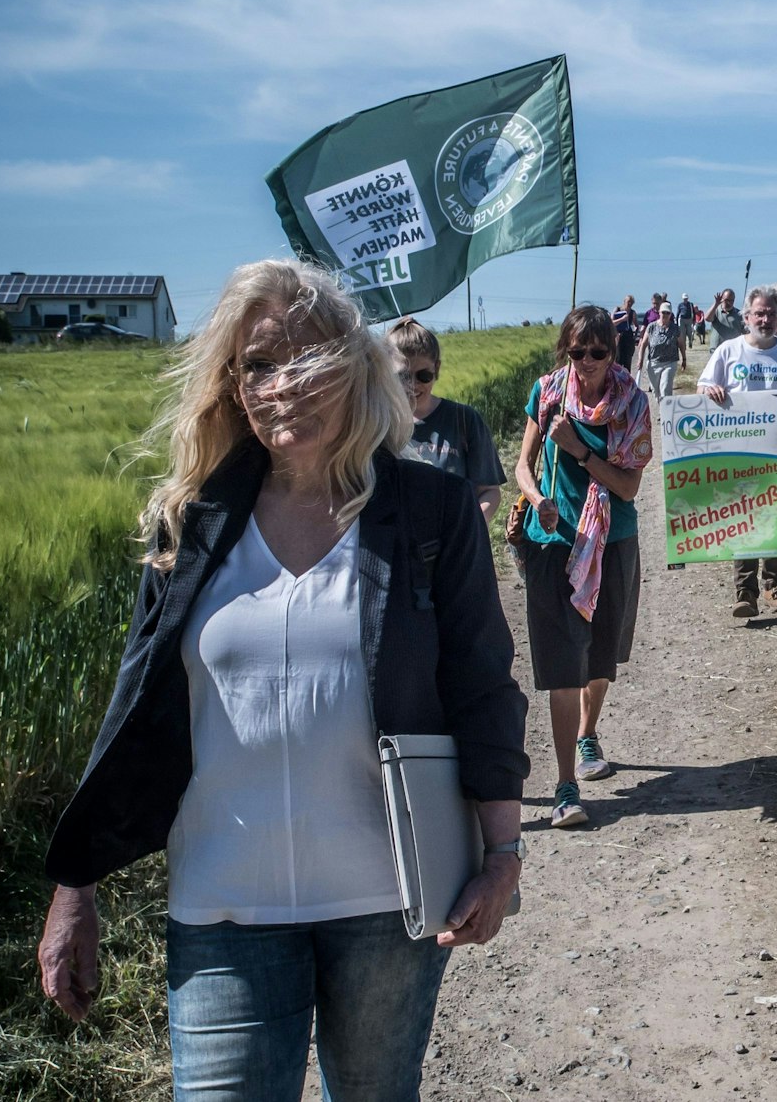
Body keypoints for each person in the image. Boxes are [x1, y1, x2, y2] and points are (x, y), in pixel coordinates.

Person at [37, 259, 527, 1098]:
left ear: (352, 362)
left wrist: (504, 851)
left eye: (304, 357)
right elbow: (133, 705)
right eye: (258, 365)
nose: (281, 386)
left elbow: (483, 686)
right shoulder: (190, 522)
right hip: (222, 905)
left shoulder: (427, 512)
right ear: (231, 385)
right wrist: (72, 886)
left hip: (385, 902)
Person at [515, 305, 654, 828]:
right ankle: (565, 786)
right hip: (553, 544)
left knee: (599, 656)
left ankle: (588, 731)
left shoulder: (632, 404)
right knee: (561, 664)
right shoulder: (548, 393)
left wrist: (577, 451)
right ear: (566, 351)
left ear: (612, 352)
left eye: (598, 351)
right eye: (578, 351)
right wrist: (537, 499)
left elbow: (628, 487)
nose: (588, 361)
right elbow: (523, 466)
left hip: (613, 541)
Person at [699, 286, 777, 618]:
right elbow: (701, 387)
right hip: (739, 442)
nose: (765, 319)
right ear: (747, 317)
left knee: (776, 512)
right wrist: (710, 390)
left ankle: (773, 585)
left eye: (771, 314)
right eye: (759, 313)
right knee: (743, 512)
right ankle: (745, 590)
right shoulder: (727, 351)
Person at [388, 317, 506, 525]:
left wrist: (468, 529)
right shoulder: (379, 425)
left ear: (437, 369)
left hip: (453, 547)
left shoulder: (464, 419)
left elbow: (489, 491)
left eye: (424, 376)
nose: (413, 385)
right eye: (403, 376)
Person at [635, 302, 690, 398]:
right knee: (656, 392)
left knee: (665, 390)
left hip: (670, 363)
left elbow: (681, 344)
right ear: (659, 313)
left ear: (671, 314)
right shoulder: (651, 327)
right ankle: (662, 409)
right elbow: (643, 344)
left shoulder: (675, 328)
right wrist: (640, 359)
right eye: (663, 312)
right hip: (653, 363)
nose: (665, 315)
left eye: (667, 313)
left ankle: (666, 411)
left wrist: (684, 359)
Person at [611, 294, 641, 370]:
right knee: (618, 359)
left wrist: (635, 336)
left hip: (628, 338)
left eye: (631, 302)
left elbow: (637, 325)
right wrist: (622, 319)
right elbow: (611, 323)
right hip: (618, 337)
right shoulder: (617, 309)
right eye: (628, 301)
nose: (629, 304)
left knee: (627, 361)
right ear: (624, 301)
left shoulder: (632, 313)